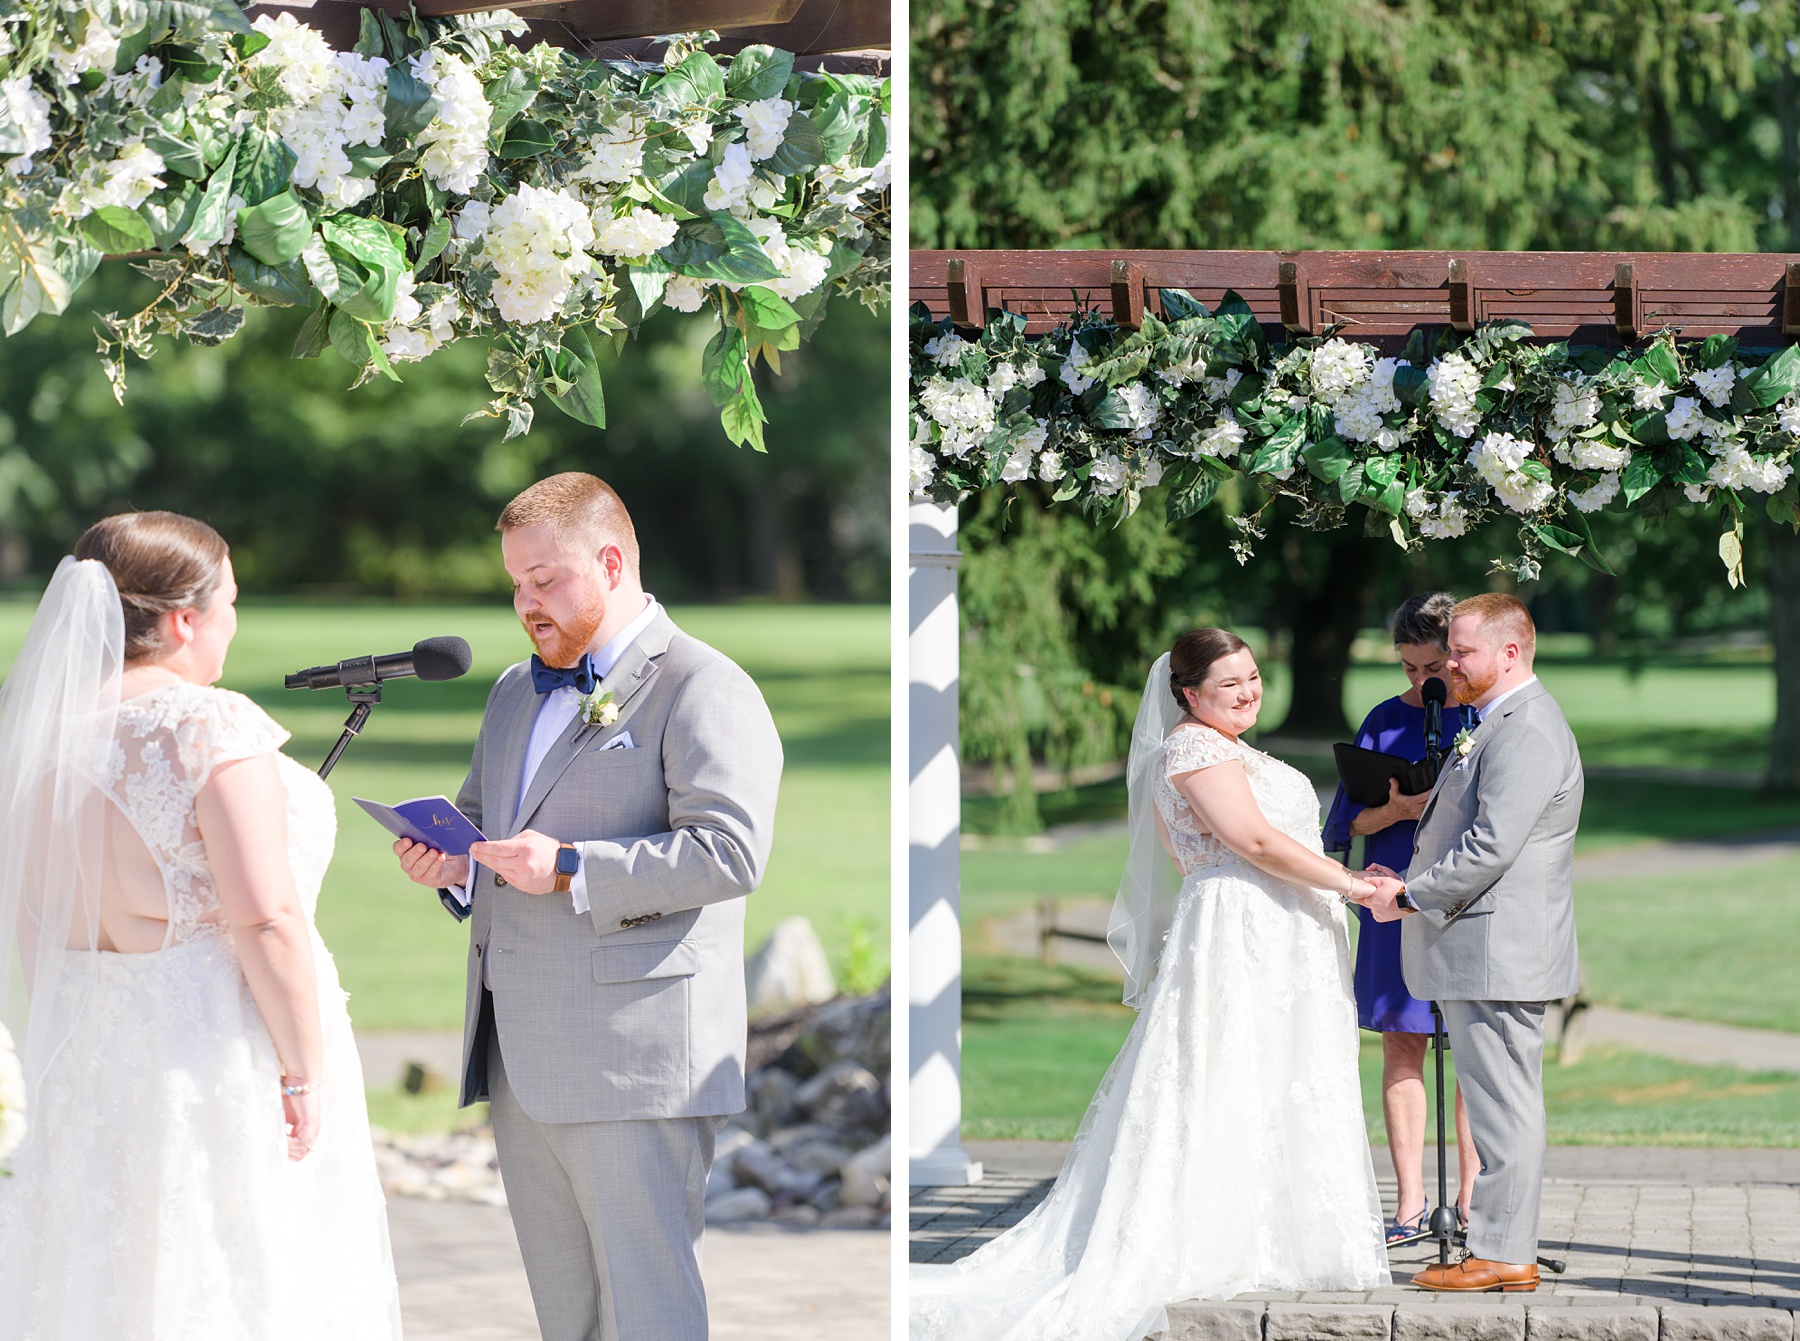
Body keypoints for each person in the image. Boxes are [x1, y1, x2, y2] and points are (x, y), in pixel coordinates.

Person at [911, 628, 1390, 1341]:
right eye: (1229, 685)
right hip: (1241, 929)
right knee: (1226, 1073)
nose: (1248, 691)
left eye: (1253, 676)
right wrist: (1353, 886)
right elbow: (1251, 842)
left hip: (1278, 929)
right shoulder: (1194, 748)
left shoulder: (1234, 748)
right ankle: (1216, 1235)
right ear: (1189, 694)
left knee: (1278, 1074)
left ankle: (1282, 1235)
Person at [393, 472, 783, 1341]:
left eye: (546, 580)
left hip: (635, 1056)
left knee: (649, 1315)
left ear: (610, 561)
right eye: (516, 585)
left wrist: (570, 865)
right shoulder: (509, 692)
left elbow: (730, 851)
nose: (527, 603)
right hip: (520, 1054)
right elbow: (487, 828)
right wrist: (451, 865)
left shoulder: (705, 686)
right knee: (566, 1320)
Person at [0, 512, 401, 1339]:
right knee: (237, 1276)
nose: (235, 623)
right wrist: (301, 1072)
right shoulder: (205, 727)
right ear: (185, 619)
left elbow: (36, 921)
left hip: (95, 1057)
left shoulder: (42, 740)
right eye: (232, 603)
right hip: (215, 1056)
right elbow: (267, 916)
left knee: (102, 1280)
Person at [1359, 593, 1583, 1293]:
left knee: (1506, 1106)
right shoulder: (1492, 720)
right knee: (1497, 1104)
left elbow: (1491, 846)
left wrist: (1409, 893)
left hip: (1497, 950)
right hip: (1482, 948)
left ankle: (1504, 1251)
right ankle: (1499, 1246)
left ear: (1511, 652)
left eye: (1461, 651)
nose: (1447, 664)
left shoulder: (1526, 729)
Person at [1323, 592, 1477, 1242]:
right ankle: (1411, 1204)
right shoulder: (1384, 720)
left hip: (1469, 903)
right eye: (1409, 667)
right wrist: (1396, 812)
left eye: (1433, 664)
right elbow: (1344, 822)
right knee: (1402, 1045)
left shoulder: (1485, 713)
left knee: (1474, 1051)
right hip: (1392, 897)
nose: (1421, 681)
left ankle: (1472, 1205)